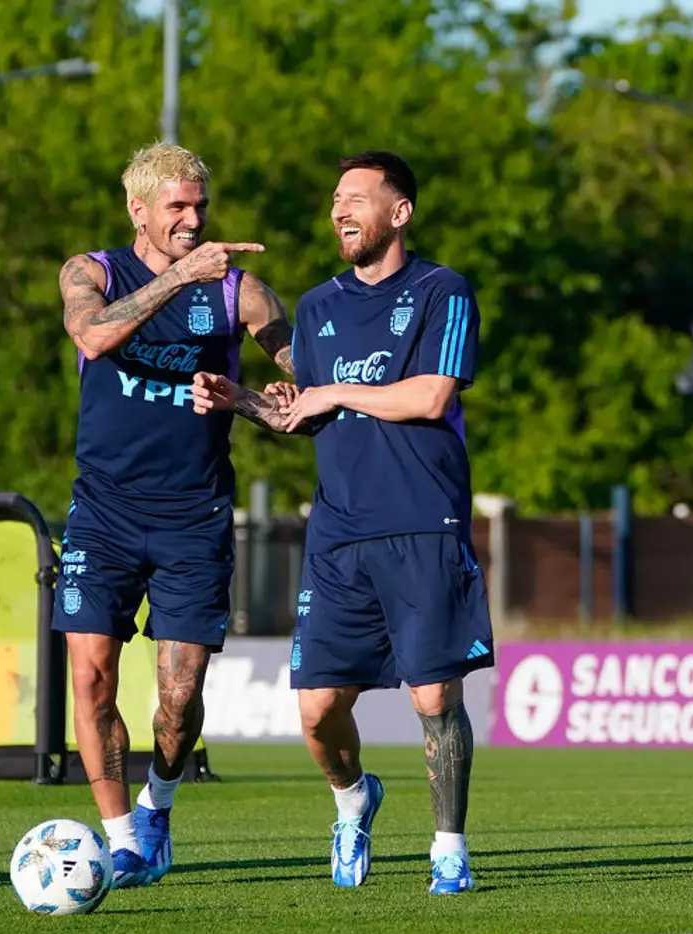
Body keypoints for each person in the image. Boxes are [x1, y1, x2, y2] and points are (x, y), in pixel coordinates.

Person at [191, 150, 493, 895]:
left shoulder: (443, 291)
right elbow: (301, 413)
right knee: (319, 711)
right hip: (338, 532)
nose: (339, 210)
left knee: (434, 698)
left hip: (423, 520)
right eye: (335, 200)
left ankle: (448, 850)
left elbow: (431, 396)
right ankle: (355, 801)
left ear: (400, 212)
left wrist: (333, 394)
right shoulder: (319, 307)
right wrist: (240, 400)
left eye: (356, 197)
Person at [55, 142, 295, 890]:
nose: (194, 220)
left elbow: (308, 406)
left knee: (178, 697)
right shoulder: (91, 272)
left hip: (195, 518)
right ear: (139, 210)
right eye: (178, 207)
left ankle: (157, 805)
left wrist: (248, 401)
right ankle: (122, 842)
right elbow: (93, 334)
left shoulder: (240, 293)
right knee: (91, 678)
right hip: (103, 512)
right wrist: (181, 278)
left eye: (201, 207)